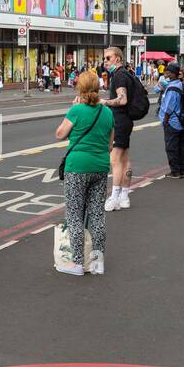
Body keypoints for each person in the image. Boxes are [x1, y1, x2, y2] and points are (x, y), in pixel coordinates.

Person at [54, 70, 113, 275]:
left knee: (74, 214)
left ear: (80, 88)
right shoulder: (107, 112)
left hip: (77, 167)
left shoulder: (77, 110)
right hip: (100, 166)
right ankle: (98, 262)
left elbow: (60, 134)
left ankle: (78, 263)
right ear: (98, 88)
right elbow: (110, 146)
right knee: (97, 214)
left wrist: (72, 110)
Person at [101, 44, 134, 211]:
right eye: (104, 58)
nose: (105, 61)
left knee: (115, 160)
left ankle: (114, 198)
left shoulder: (119, 76)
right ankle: (125, 196)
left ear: (118, 59)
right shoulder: (125, 74)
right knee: (125, 159)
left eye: (108, 58)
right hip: (126, 120)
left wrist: (105, 102)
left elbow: (122, 99)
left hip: (120, 121)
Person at [158, 61, 184, 178]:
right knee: (181, 147)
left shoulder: (171, 87)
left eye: (168, 72)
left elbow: (169, 107)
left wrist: (165, 121)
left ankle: (175, 171)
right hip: (183, 120)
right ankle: (183, 171)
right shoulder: (182, 85)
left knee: (171, 147)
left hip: (172, 122)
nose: (166, 74)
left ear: (173, 74)